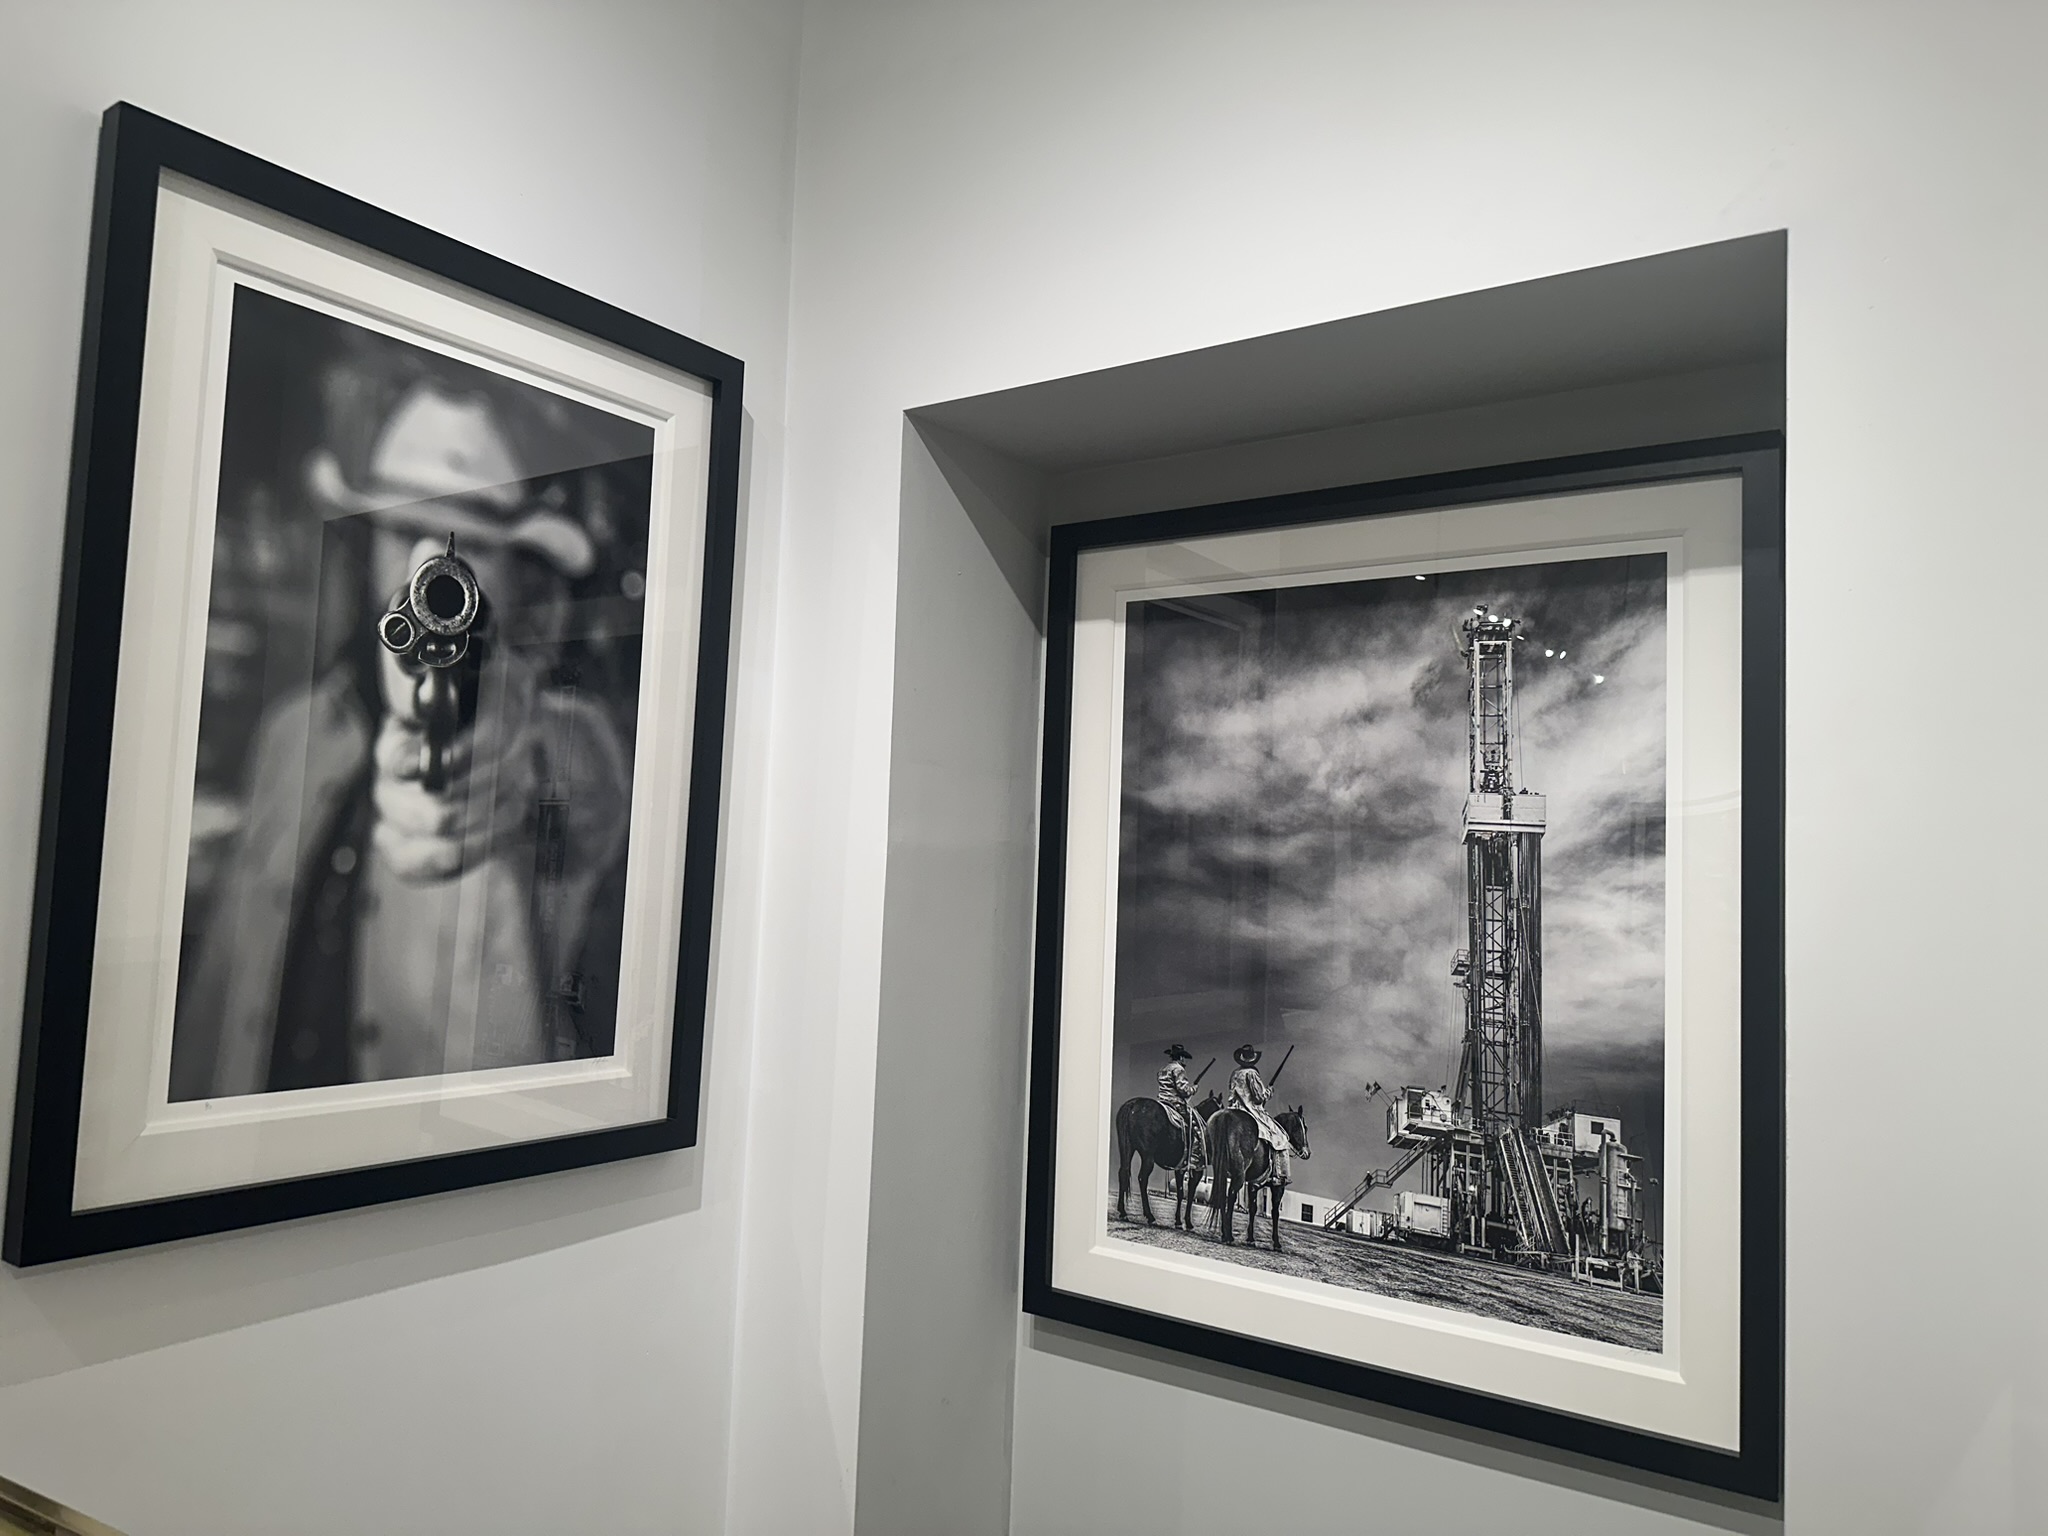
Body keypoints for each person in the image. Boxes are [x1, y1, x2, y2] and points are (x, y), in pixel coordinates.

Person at [170, 377, 633, 1098]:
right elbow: (221, 997)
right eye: (398, 529)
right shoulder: (292, 731)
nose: (425, 567)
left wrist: (504, 751)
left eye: (468, 542)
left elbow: (569, 780)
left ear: (517, 570)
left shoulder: (551, 735)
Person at [1227, 1044, 1291, 1182]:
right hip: (1250, 1111)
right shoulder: (1252, 1073)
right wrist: (1269, 1091)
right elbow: (1259, 1098)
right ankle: (1279, 1175)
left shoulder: (1235, 1073)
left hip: (1233, 1110)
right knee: (1280, 1137)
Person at [1155, 1044, 1203, 1169]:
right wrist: (1194, 1089)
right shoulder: (1178, 1069)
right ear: (1181, 1057)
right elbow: (1183, 1090)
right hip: (1175, 1103)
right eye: (1184, 1058)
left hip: (1162, 1102)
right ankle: (1193, 1158)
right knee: (1195, 1128)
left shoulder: (1162, 1069)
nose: (1185, 1061)